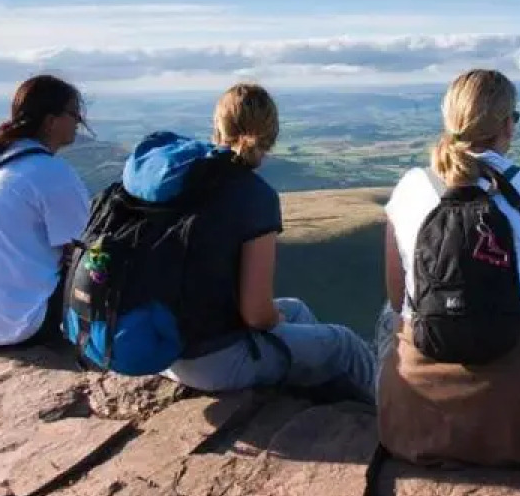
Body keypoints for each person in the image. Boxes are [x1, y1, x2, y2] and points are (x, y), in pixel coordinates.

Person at [377, 68, 520, 467]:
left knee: (390, 312)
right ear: (505, 126)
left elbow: (398, 299)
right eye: (514, 118)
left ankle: (386, 399)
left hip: (421, 409)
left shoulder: (411, 186)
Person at [136, 83, 378, 403]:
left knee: (296, 309)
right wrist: (271, 322)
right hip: (210, 362)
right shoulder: (253, 195)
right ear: (271, 134)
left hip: (157, 347)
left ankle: (310, 401)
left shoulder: (181, 179)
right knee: (345, 344)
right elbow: (257, 316)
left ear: (217, 127)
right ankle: (389, 429)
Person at [0, 75, 92, 347]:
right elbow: (90, 250)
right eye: (74, 114)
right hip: (17, 324)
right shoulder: (50, 172)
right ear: (50, 121)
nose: (79, 122)